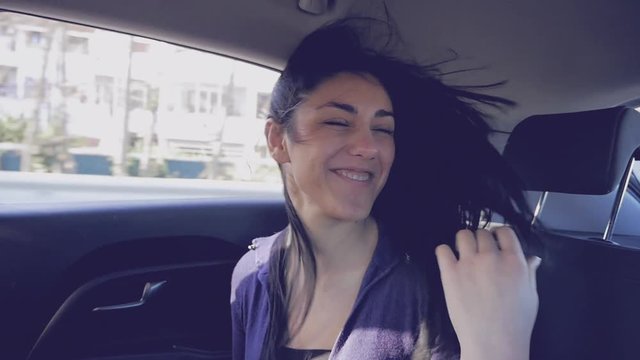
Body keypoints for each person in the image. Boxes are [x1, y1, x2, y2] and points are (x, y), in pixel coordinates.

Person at [230, 18, 541, 360]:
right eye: (337, 121)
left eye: (383, 129)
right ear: (277, 140)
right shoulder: (251, 275)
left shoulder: (438, 285)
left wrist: (498, 343)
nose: (369, 146)